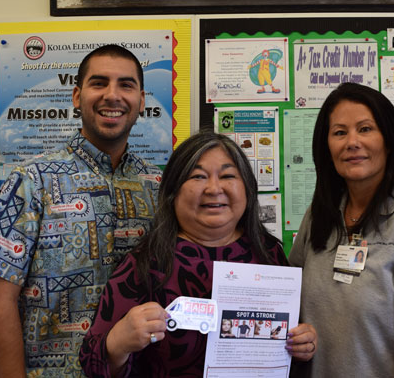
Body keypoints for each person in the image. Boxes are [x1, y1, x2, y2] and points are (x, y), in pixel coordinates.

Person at [0, 45, 162, 377]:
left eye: (126, 85)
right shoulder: (31, 181)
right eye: (99, 83)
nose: (112, 96)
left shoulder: (157, 187)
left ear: (141, 100)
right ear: (77, 96)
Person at [79, 131, 317, 377]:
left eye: (227, 176)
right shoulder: (146, 263)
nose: (214, 188)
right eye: (198, 176)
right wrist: (117, 343)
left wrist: (303, 343)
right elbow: (92, 363)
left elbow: (289, 346)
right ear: (173, 192)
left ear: (247, 189)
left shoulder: (269, 255)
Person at [290, 82, 394, 378]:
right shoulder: (319, 217)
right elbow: (292, 304)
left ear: (389, 140)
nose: (352, 142)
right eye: (340, 132)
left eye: (365, 129)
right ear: (326, 146)